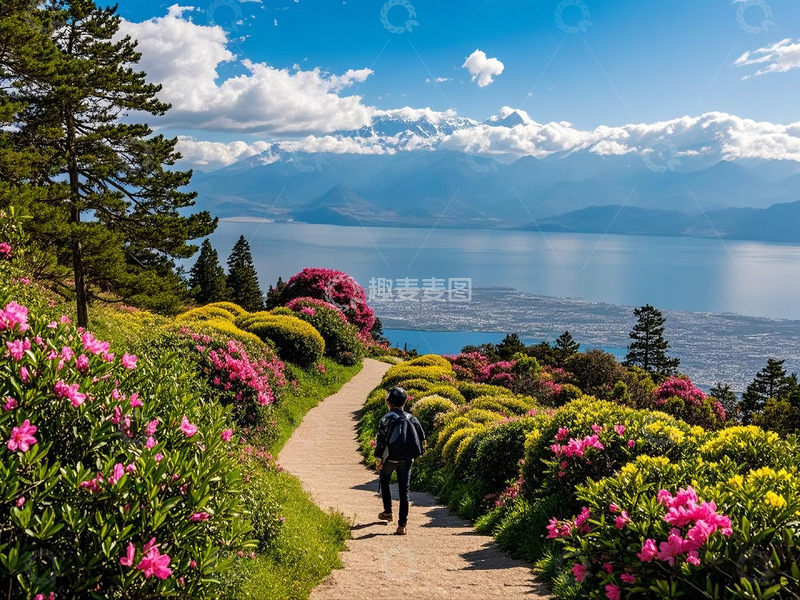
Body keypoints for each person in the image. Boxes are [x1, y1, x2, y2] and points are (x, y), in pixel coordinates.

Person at [374, 386, 426, 535]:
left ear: (389, 402)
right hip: (407, 459)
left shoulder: (385, 419)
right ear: (405, 402)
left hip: (390, 457)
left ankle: (388, 511)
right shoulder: (412, 418)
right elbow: (422, 439)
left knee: (384, 479)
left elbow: (380, 443)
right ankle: (402, 525)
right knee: (404, 491)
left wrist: (379, 460)